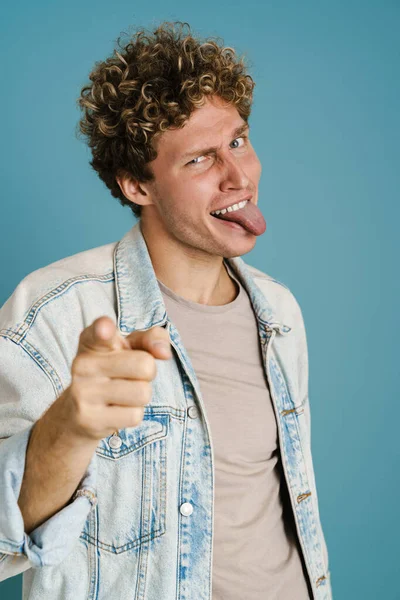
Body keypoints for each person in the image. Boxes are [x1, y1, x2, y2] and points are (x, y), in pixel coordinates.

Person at [0, 21, 332, 600]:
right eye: (200, 160)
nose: (239, 176)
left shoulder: (279, 311)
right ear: (137, 186)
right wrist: (72, 427)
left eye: (237, 140)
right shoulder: (53, 311)